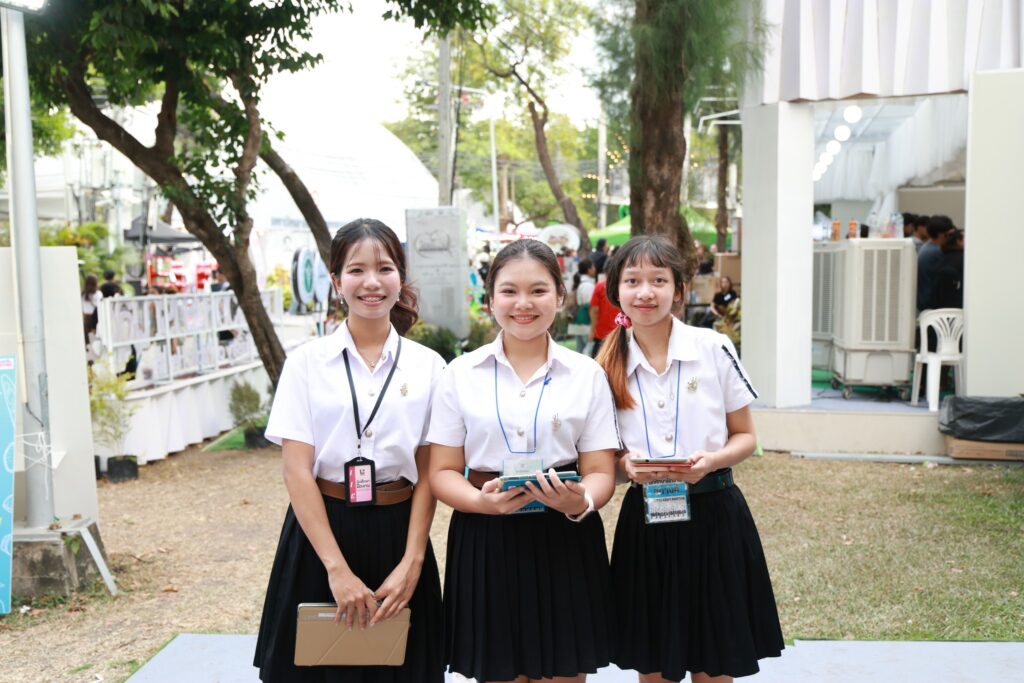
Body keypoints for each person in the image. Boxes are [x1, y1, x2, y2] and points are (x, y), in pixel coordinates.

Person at [254, 218, 446, 682]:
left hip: (399, 531)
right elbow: (296, 471)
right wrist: (336, 569)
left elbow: (430, 472)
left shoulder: (430, 367)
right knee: (317, 670)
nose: (372, 282)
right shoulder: (306, 363)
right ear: (337, 281)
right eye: (357, 270)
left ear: (400, 277)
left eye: (384, 268)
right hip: (321, 535)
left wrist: (413, 562)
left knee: (401, 671)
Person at [427, 238, 620, 683]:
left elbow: (600, 472)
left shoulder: (586, 374)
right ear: (490, 298)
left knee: (563, 672)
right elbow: (442, 471)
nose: (523, 304)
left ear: (560, 295)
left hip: (565, 538)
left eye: (538, 290)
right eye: (509, 291)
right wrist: (480, 502)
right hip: (486, 537)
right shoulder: (460, 373)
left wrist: (580, 502)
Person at [597, 235, 784, 683]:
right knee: (654, 666)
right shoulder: (603, 364)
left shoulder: (713, 347)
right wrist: (625, 466)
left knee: (714, 663)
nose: (646, 292)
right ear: (616, 291)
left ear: (679, 289)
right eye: (633, 281)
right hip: (645, 524)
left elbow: (746, 437)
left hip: (715, 519)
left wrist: (713, 460)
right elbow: (605, 458)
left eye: (659, 280)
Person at [917, 215, 954, 312]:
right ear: (941, 234)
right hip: (932, 305)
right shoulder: (937, 252)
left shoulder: (927, 246)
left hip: (925, 301)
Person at [589, 277, 621, 359]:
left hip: (601, 333)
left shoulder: (599, 286)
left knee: (598, 361)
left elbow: (594, 310)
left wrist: (592, 330)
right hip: (619, 332)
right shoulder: (622, 286)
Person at [571, 258, 597, 353]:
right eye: (593, 267)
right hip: (586, 320)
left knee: (581, 349)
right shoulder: (588, 286)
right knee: (588, 349)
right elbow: (590, 306)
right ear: (589, 269)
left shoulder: (582, 283)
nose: (595, 269)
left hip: (580, 319)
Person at [936, 227, 964, 309]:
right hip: (959, 306)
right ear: (958, 241)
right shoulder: (964, 259)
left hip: (941, 307)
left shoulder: (941, 257)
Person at [82, 274, 103, 345]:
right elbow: (99, 306)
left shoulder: (83, 294)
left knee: (88, 337)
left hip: (86, 317)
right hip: (96, 317)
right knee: (97, 337)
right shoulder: (98, 294)